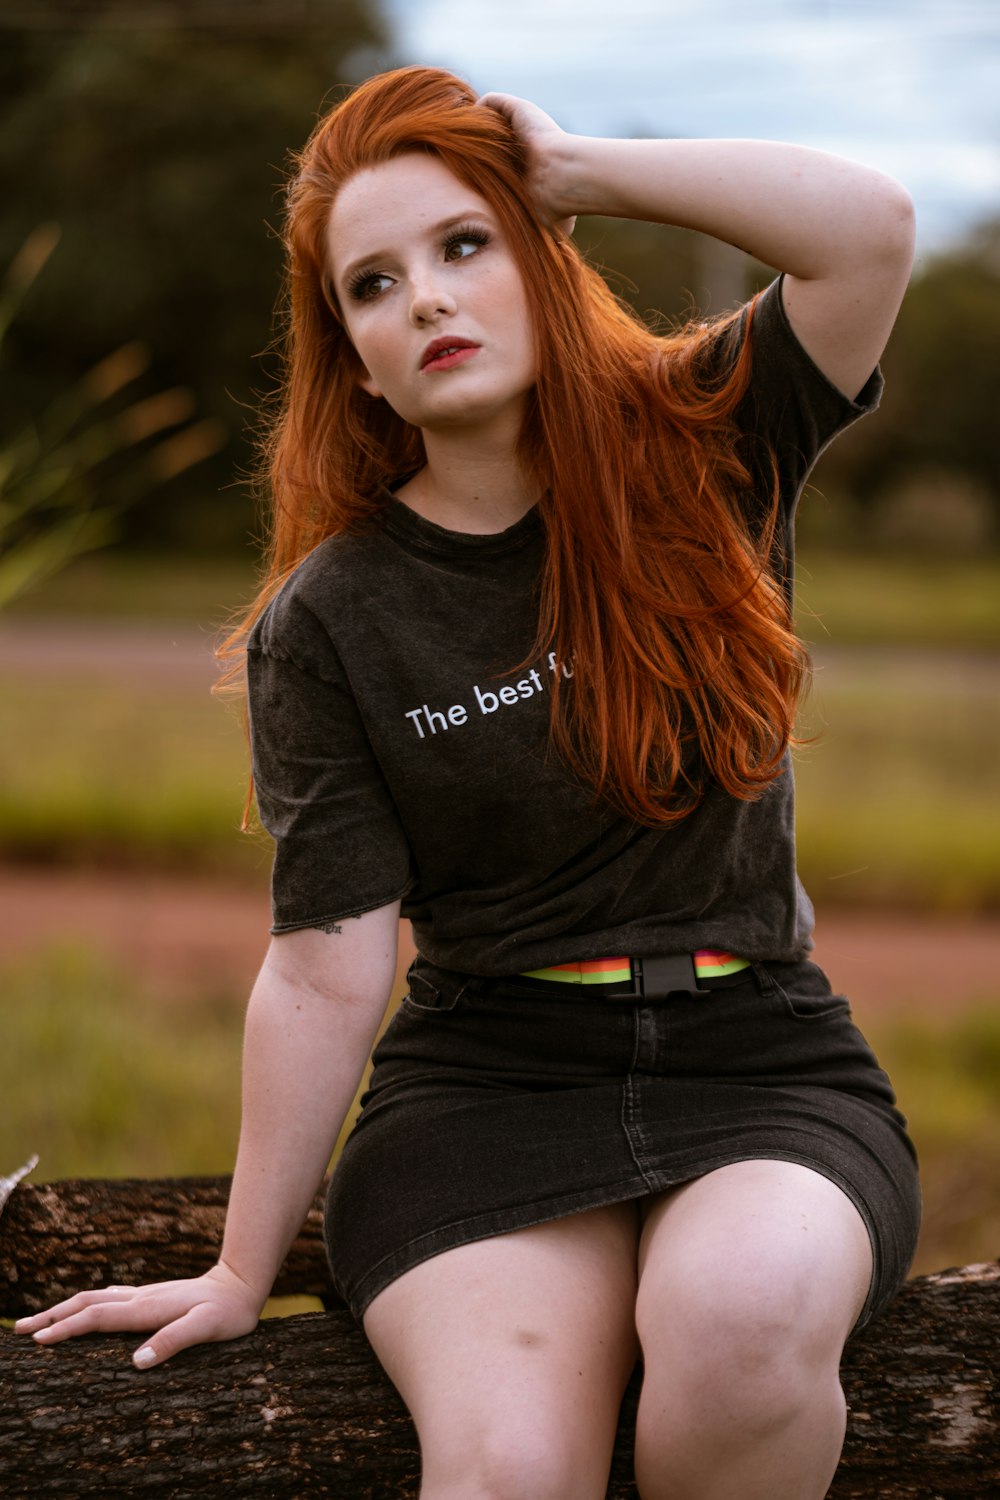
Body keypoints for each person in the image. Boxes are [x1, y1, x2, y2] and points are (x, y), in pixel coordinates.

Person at [16, 65, 921, 1500]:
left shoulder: (712, 441)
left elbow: (868, 229)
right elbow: (324, 966)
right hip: (484, 1088)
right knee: (504, 1470)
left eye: (464, 245)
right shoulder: (333, 620)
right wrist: (244, 1268)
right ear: (354, 358)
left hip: (764, 1063)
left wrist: (573, 172)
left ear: (538, 261)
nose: (425, 299)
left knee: (740, 1331)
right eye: (372, 286)